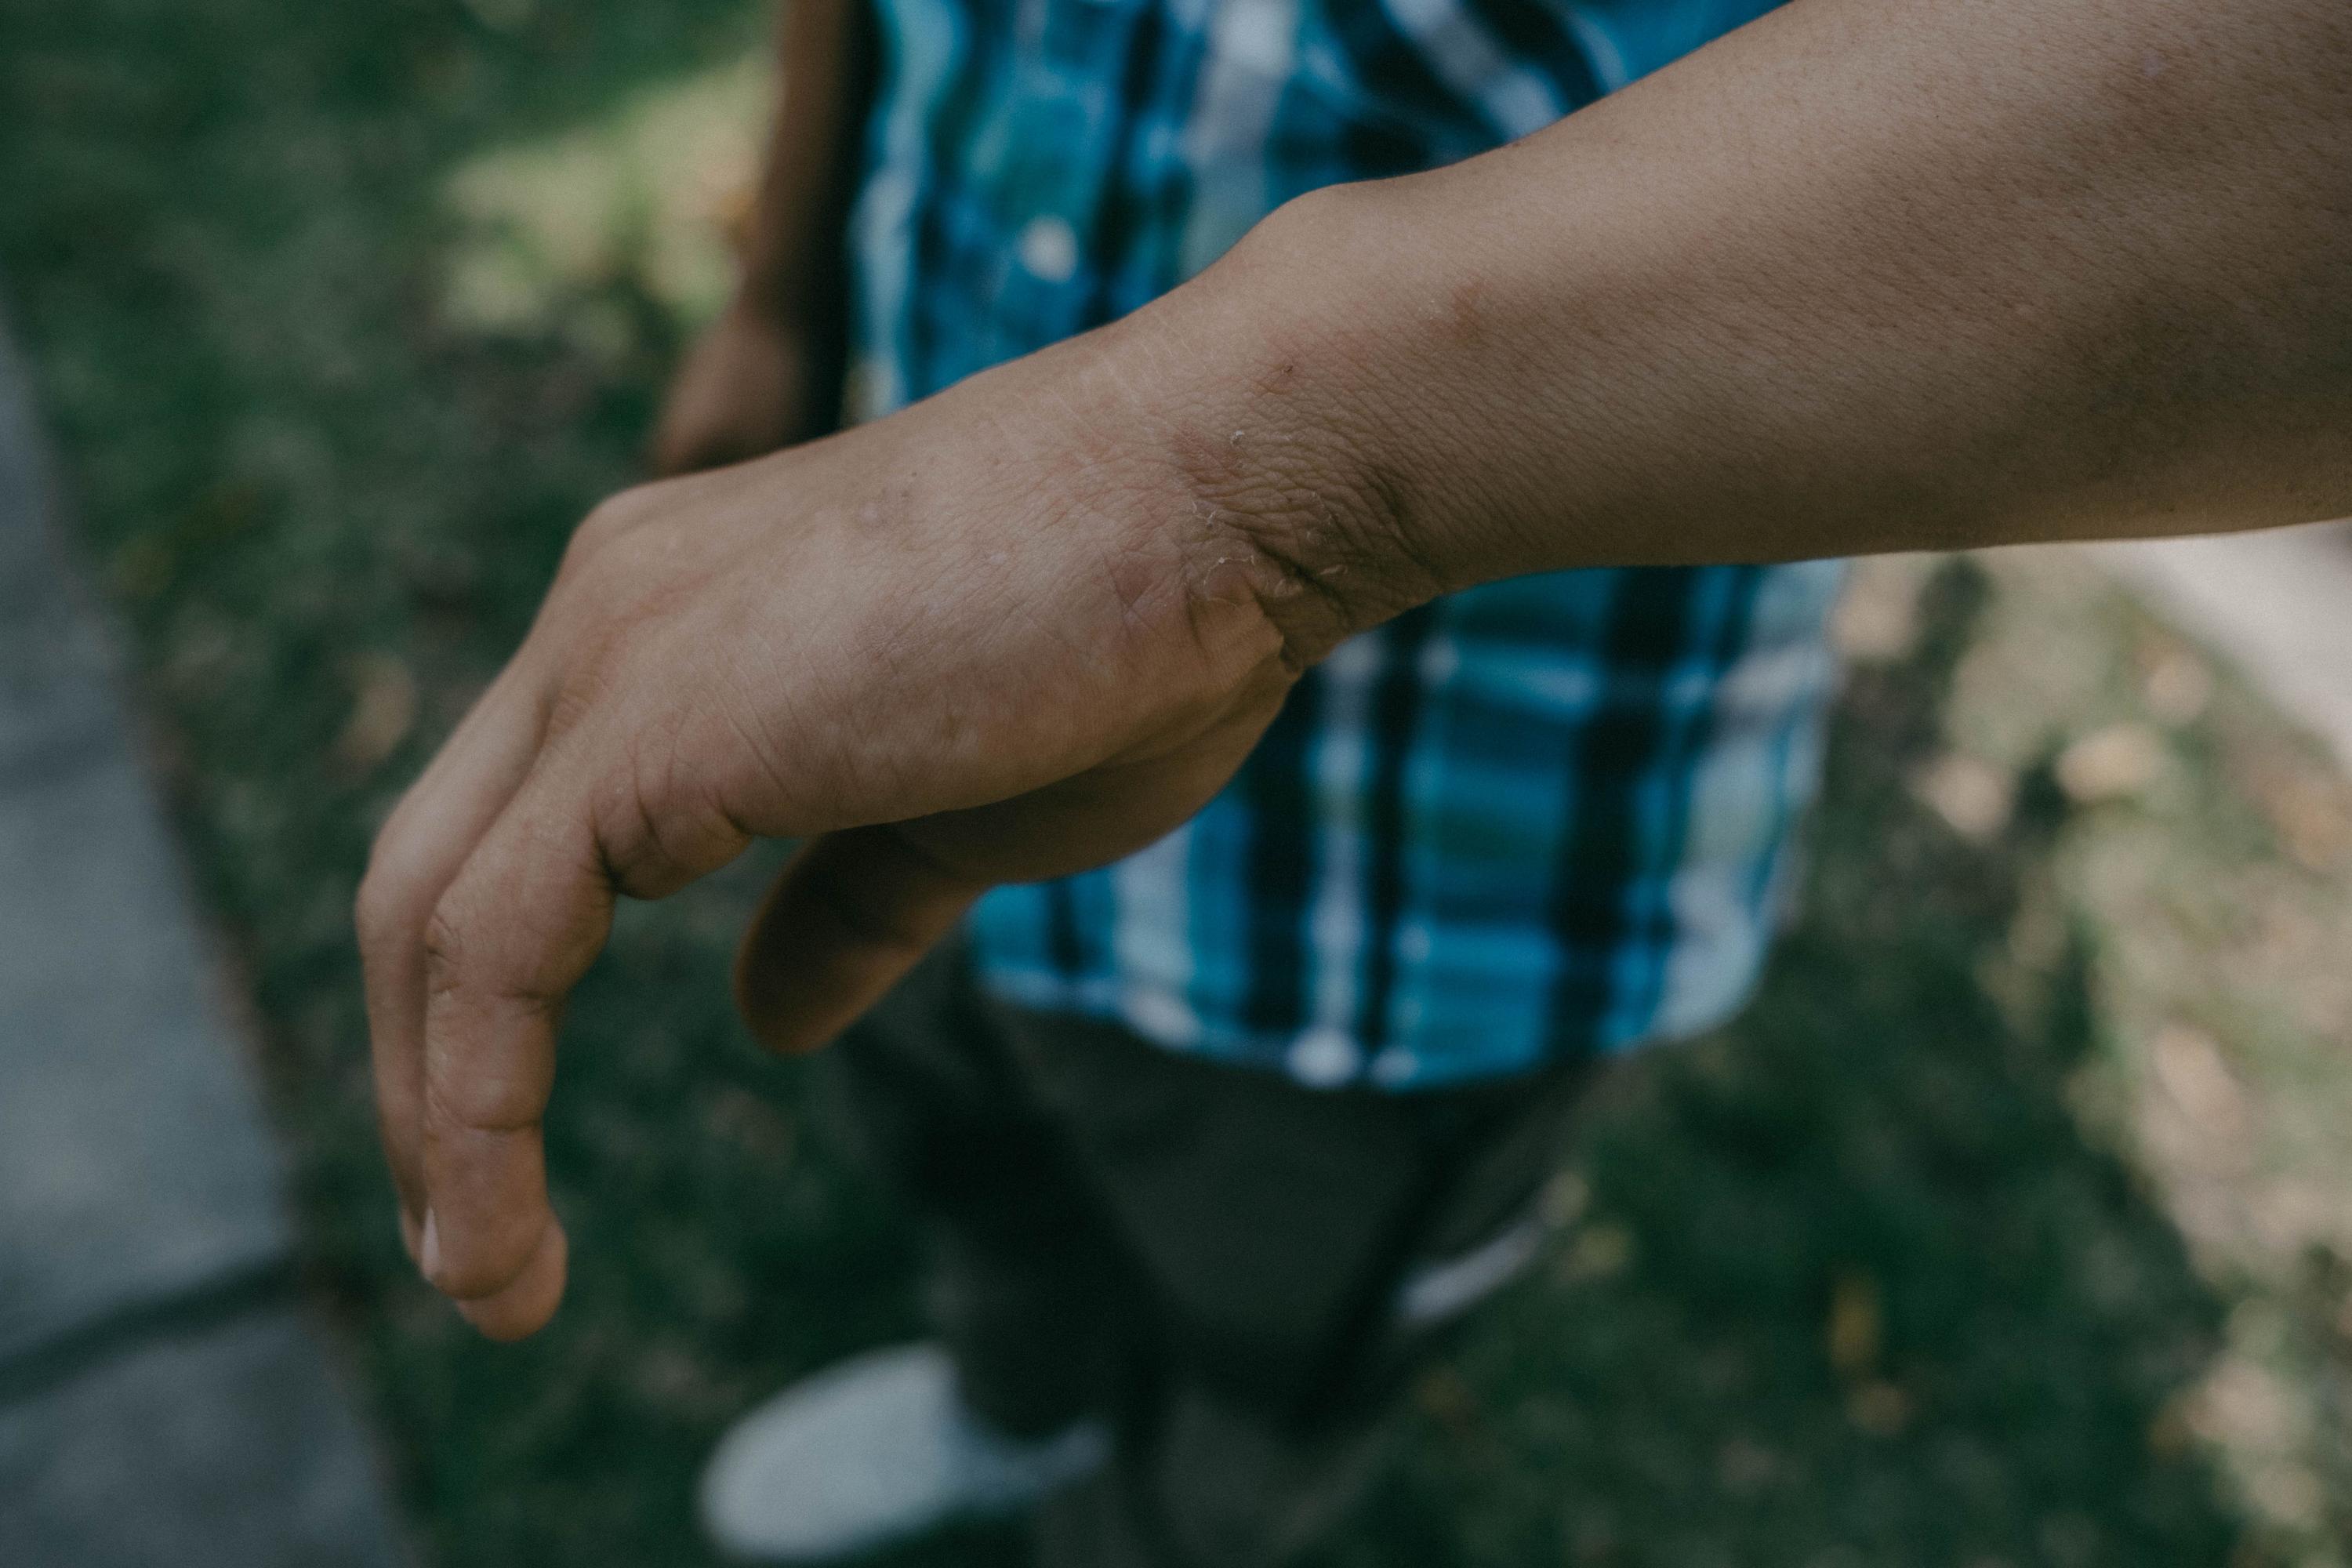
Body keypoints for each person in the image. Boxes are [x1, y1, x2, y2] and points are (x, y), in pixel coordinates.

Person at [352, 0, 2352, 1561]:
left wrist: (1233, 488)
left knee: (1273, 1353)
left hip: (1434, 898)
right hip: (920, 695)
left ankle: (1167, 1534)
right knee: (949, 1107)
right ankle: (1012, 1395)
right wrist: (786, 291)